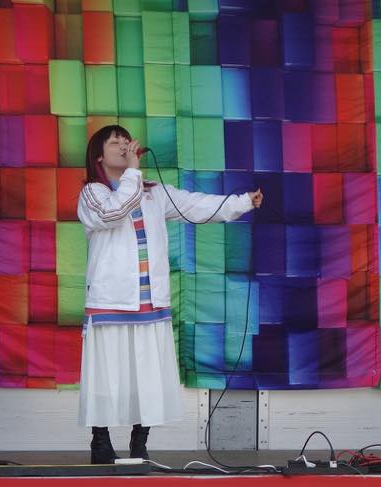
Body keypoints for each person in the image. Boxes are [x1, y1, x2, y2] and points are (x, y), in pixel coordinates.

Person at [76, 125, 263, 464]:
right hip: (110, 301)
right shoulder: (92, 193)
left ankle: (140, 441)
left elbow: (196, 205)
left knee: (146, 376)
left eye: (126, 141)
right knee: (106, 375)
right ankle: (100, 441)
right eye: (115, 143)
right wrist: (133, 173)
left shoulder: (154, 193)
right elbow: (112, 213)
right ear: (98, 156)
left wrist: (242, 203)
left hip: (150, 302)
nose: (124, 146)